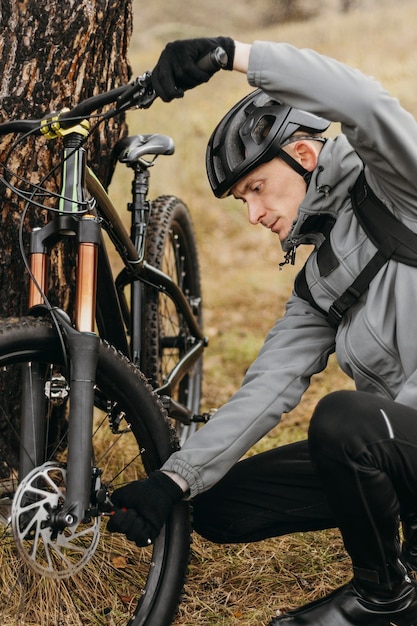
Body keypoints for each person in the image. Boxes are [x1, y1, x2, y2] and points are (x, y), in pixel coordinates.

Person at [107, 37, 417, 624]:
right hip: (403, 449)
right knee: (219, 505)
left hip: (394, 439)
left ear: (303, 152)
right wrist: (173, 483)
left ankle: (387, 599)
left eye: (255, 189)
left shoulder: (401, 189)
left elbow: (365, 103)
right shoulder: (320, 282)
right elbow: (266, 388)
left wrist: (231, 54)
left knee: (343, 420)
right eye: (239, 200)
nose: (253, 214)